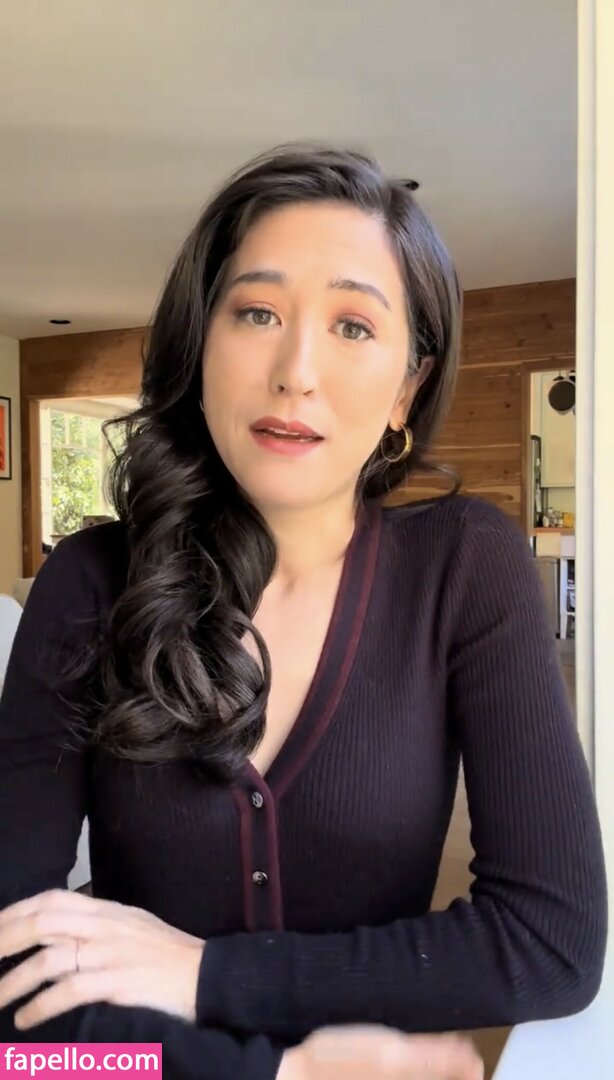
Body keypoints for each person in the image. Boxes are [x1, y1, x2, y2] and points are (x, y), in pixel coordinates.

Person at [0, 144, 607, 1079]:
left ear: (408, 389)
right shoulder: (89, 582)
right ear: (202, 345)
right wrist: (282, 1074)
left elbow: (551, 942)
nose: (297, 371)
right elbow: (17, 1023)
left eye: (354, 326)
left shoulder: (464, 565)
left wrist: (207, 975)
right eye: (257, 312)